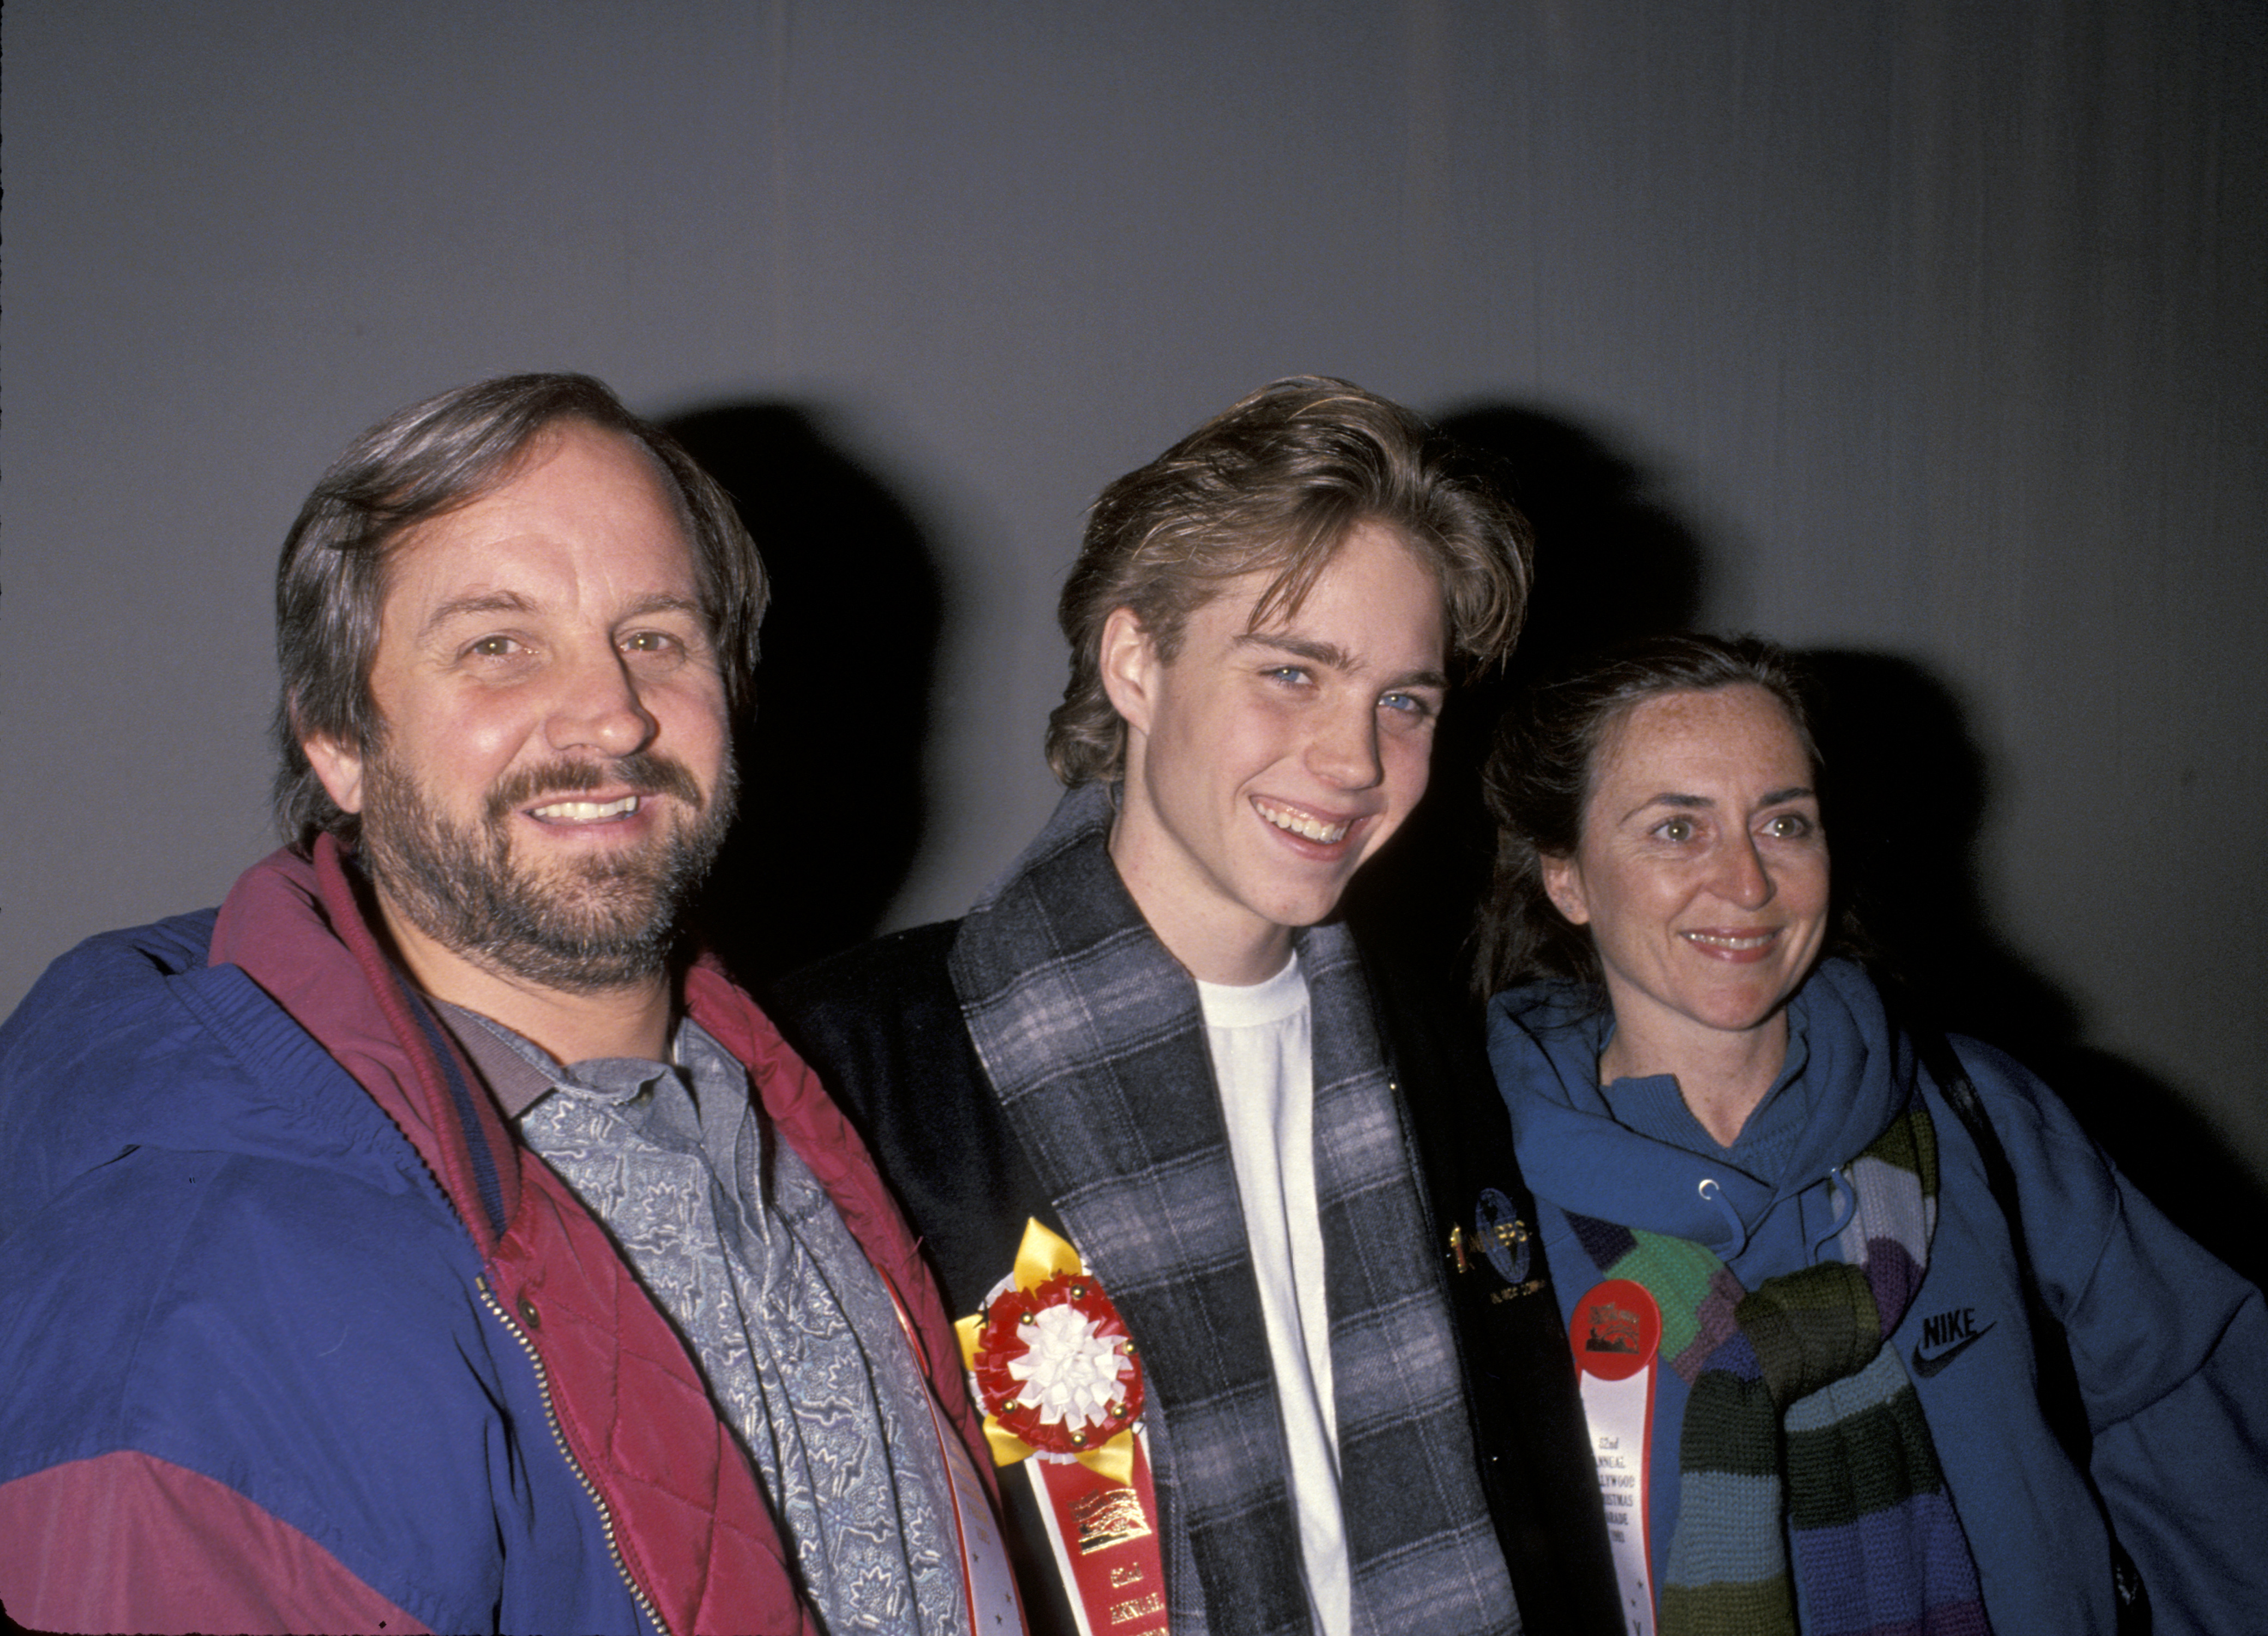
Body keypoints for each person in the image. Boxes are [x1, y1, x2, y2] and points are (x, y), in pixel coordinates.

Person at [0, 373, 1019, 1635]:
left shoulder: (793, 1128)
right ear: (337, 739)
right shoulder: (204, 1289)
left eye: (655, 635)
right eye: (498, 644)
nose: (611, 709)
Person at [771, 378, 1622, 1636]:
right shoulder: (856, 1069)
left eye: (1406, 700)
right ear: (1136, 662)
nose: (1351, 760)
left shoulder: (1435, 1053)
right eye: (1291, 673)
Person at [1477, 632, 2268, 1636]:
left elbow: (2195, 1416)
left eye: (1785, 823)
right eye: (1677, 829)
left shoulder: (1983, 1119)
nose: (1749, 882)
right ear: (1568, 879)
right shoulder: (1485, 1206)